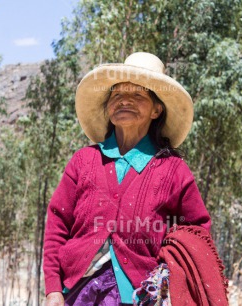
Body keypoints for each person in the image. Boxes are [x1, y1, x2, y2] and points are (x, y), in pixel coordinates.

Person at [43, 52, 212, 306]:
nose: (125, 101)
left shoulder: (173, 170)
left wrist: (172, 272)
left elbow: (198, 232)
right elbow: (58, 223)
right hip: (79, 294)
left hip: (141, 296)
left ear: (157, 109)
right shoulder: (84, 161)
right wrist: (53, 289)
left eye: (137, 95)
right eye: (117, 94)